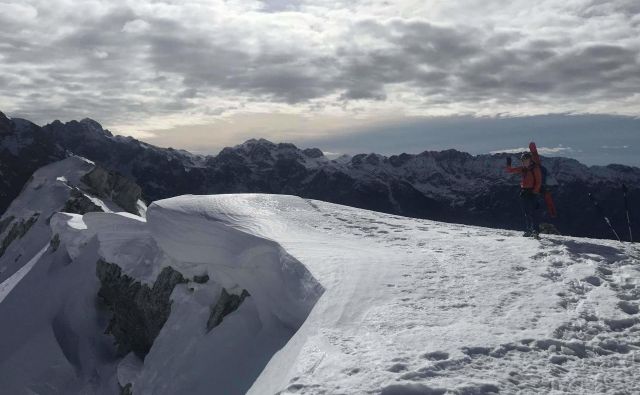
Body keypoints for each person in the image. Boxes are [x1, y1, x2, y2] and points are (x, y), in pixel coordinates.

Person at [506, 151, 542, 237]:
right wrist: (508, 162)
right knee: (527, 213)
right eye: (523, 160)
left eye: (526, 160)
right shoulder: (523, 169)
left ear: (530, 160)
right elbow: (510, 170)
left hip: (532, 192)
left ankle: (535, 231)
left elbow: (539, 182)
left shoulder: (535, 169)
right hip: (525, 192)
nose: (524, 162)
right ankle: (529, 230)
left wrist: (534, 192)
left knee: (533, 213)